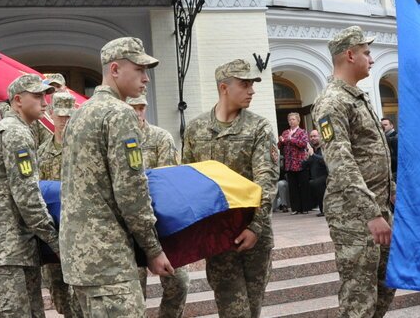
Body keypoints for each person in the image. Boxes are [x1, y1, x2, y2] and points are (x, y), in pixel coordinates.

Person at [60, 37, 174, 317]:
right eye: (139, 70)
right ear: (114, 70)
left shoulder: (80, 114)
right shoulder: (119, 114)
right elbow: (131, 190)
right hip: (108, 260)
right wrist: (153, 248)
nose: (145, 79)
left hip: (79, 258)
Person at [182, 58, 279, 318]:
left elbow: (266, 179)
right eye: (245, 84)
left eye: (252, 84)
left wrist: (255, 226)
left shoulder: (259, 127)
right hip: (218, 233)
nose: (252, 90)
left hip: (254, 233)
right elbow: (188, 181)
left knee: (252, 307)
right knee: (233, 310)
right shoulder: (196, 129)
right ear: (224, 87)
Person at [312, 26, 396, 318]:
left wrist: (391, 196)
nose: (371, 59)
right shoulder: (332, 101)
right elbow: (340, 159)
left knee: (384, 286)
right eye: (366, 52)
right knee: (359, 295)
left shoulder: (357, 97)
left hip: (379, 207)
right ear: (349, 55)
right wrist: (371, 213)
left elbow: (372, 154)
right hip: (355, 214)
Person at [0, 74, 59, 317]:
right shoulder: (15, 133)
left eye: (45, 96)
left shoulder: (16, 130)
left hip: (14, 248)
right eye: (38, 96)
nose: (45, 102)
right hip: (2, 251)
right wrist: (54, 239)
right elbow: (27, 195)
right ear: (18, 100)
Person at [127, 93, 189, 318]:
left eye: (141, 107)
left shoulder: (160, 137)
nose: (138, 112)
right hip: (126, 227)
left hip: (160, 222)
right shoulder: (114, 140)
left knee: (179, 282)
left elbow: (167, 181)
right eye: (132, 107)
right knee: (134, 292)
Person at [37, 91, 82, 318]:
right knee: (58, 291)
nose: (64, 120)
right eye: (60, 115)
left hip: (81, 231)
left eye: (69, 116)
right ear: (51, 114)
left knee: (80, 293)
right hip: (54, 231)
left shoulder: (84, 149)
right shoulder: (42, 153)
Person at [279, 112, 310, 214]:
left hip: (300, 162)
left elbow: (303, 144)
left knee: (303, 186)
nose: (291, 121)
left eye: (293, 119)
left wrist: (291, 139)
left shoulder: (302, 132)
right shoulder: (285, 132)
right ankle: (295, 208)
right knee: (293, 187)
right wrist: (281, 141)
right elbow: (280, 146)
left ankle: (305, 208)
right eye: (289, 120)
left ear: (298, 120)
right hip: (289, 164)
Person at [303, 130, 328, 217]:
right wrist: (306, 158)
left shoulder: (325, 148)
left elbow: (325, 161)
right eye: (311, 137)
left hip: (325, 176)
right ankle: (320, 209)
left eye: (315, 136)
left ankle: (325, 210)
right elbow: (305, 165)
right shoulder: (312, 150)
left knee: (317, 183)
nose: (313, 138)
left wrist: (313, 155)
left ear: (320, 137)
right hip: (316, 177)